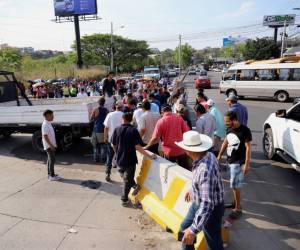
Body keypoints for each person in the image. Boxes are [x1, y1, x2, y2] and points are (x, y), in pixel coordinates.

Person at [175, 131, 225, 250]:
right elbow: (206, 185)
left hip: (211, 209)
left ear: (188, 151)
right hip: (198, 201)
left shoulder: (204, 170)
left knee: (213, 240)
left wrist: (193, 230)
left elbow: (207, 204)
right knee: (184, 227)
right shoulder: (208, 155)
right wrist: (193, 189)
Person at [111, 112, 156, 207]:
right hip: (130, 160)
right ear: (131, 119)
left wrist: (116, 153)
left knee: (125, 177)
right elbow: (138, 147)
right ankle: (125, 198)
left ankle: (133, 188)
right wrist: (149, 155)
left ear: (122, 119)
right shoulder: (133, 130)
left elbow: (113, 144)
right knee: (127, 179)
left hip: (119, 159)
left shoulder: (117, 129)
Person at [217, 111, 252, 219]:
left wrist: (247, 164)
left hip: (239, 162)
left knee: (235, 185)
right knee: (234, 186)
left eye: (227, 121)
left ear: (234, 120)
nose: (225, 123)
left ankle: (237, 208)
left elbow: (248, 148)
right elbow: (225, 142)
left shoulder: (245, 130)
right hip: (230, 160)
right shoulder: (229, 129)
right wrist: (219, 156)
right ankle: (234, 202)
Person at [145, 104, 190, 169]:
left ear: (162, 112)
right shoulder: (179, 118)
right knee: (185, 171)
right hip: (181, 149)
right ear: (171, 110)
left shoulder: (161, 121)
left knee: (170, 171)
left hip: (169, 152)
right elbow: (187, 131)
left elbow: (155, 137)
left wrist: (147, 146)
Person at [103, 101, 124, 182]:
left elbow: (106, 128)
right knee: (121, 157)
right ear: (122, 107)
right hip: (121, 140)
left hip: (111, 140)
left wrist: (105, 137)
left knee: (110, 157)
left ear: (115, 107)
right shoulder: (123, 115)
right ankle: (122, 173)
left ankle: (108, 173)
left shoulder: (110, 115)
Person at [42, 110, 60, 181]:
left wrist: (54, 144)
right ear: (47, 116)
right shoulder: (45, 125)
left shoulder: (48, 123)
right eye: (51, 115)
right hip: (49, 146)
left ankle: (50, 174)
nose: (53, 117)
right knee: (52, 159)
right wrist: (51, 146)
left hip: (51, 145)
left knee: (50, 160)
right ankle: (51, 176)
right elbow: (45, 136)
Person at [90, 97, 109, 163]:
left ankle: (96, 159)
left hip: (96, 129)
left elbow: (91, 118)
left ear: (98, 102)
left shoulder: (95, 109)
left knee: (95, 146)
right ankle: (103, 159)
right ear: (104, 103)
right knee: (103, 146)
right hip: (103, 130)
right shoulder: (106, 110)